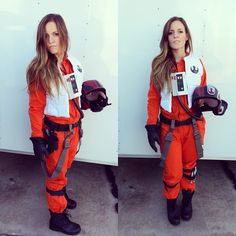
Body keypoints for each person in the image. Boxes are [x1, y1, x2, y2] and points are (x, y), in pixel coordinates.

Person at [26, 13, 109, 235]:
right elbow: (35, 107)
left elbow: (74, 98)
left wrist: (93, 104)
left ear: (63, 35)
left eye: (55, 34)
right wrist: (37, 138)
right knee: (55, 176)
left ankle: (60, 195)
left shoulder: (75, 64)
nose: (51, 40)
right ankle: (57, 217)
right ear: (41, 40)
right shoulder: (40, 70)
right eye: (46, 36)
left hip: (74, 132)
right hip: (56, 135)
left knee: (63, 170)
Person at [145, 16, 207, 225]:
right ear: (166, 37)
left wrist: (213, 103)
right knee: (172, 171)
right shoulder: (159, 64)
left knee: (190, 168)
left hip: (193, 127)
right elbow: (153, 97)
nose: (176, 36)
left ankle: (187, 200)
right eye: (171, 32)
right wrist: (151, 124)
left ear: (187, 36)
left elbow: (203, 94)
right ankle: (172, 202)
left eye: (180, 31)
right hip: (170, 128)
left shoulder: (197, 64)